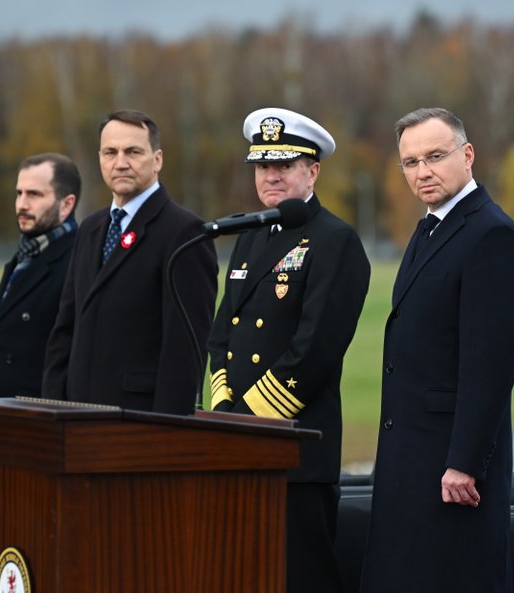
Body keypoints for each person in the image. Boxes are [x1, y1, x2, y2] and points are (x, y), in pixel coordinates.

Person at [359, 107, 514, 593]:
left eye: (435, 156)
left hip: (452, 468)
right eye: (410, 163)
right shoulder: (430, 228)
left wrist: (465, 461)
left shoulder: (490, 234)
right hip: (409, 454)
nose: (422, 172)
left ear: (468, 155)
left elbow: (491, 363)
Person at [207, 107, 370, 593]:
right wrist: (222, 411)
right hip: (238, 443)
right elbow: (222, 334)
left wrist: (248, 418)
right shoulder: (251, 235)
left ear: (312, 171)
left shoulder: (335, 240)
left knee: (300, 580)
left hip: (295, 448)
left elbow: (315, 348)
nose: (271, 176)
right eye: (263, 166)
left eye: (284, 165)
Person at [42, 109, 217, 414]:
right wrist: (52, 407)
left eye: (133, 152)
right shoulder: (90, 228)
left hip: (137, 424)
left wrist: (164, 433)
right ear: (100, 158)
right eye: (110, 152)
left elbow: (184, 351)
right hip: (75, 418)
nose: (120, 162)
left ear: (157, 159)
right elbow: (66, 329)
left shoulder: (185, 232)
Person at [0, 153, 80, 398]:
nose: (22, 204)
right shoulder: (25, 254)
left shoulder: (79, 261)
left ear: (66, 205)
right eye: (19, 193)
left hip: (35, 419)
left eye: (34, 194)